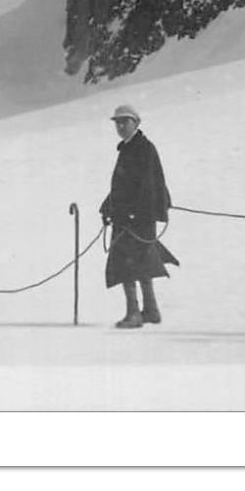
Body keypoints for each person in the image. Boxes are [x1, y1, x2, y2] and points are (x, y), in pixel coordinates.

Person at [99, 103, 177, 329]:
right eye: (118, 123)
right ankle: (151, 311)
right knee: (143, 261)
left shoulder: (143, 148)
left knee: (128, 263)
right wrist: (108, 206)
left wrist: (134, 213)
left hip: (137, 219)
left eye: (125, 122)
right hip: (131, 217)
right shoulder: (128, 148)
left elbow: (150, 185)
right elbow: (123, 185)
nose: (121, 126)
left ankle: (134, 314)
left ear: (136, 123)